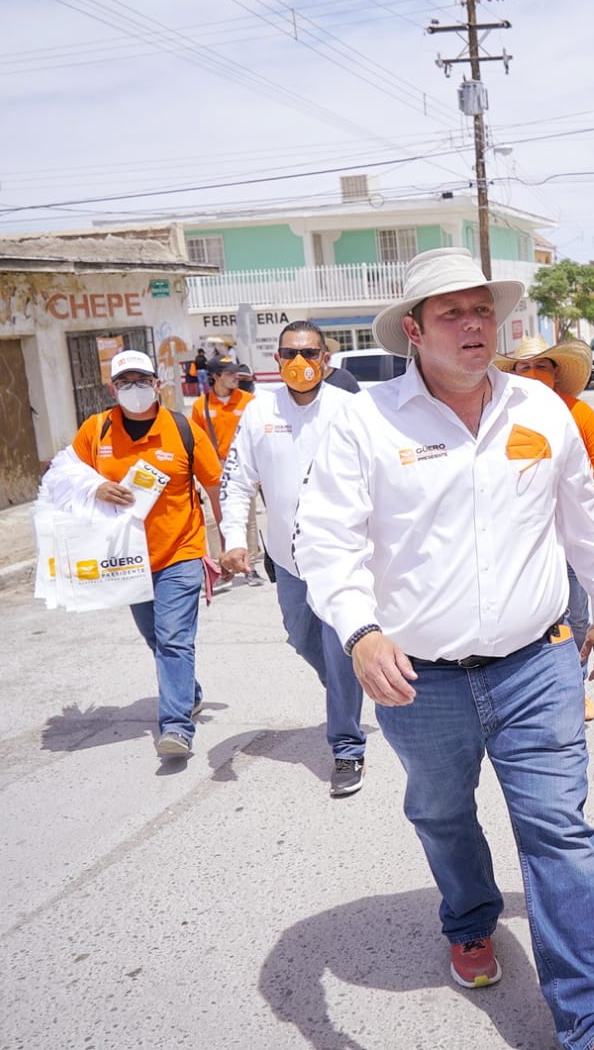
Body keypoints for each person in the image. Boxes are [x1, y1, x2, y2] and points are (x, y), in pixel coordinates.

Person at [293, 248, 594, 1050]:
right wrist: (360, 631)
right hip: (421, 680)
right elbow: (325, 540)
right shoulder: (364, 419)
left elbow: (584, 515)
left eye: (482, 308)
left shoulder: (540, 409)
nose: (474, 323)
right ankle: (471, 918)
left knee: (558, 829)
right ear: (414, 330)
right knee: (442, 812)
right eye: (451, 312)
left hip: (538, 662)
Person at [218, 322, 369, 796]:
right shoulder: (259, 411)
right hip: (288, 559)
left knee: (338, 648)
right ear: (277, 359)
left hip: (342, 557)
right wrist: (234, 539)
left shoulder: (351, 409)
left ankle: (347, 746)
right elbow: (237, 479)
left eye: (309, 353)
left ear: (326, 359)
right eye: (289, 353)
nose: (299, 362)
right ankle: (352, 683)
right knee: (302, 639)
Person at [67, 350, 222, 759]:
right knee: (156, 637)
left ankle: (176, 728)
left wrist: (228, 542)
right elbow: (63, 478)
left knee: (173, 638)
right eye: (124, 382)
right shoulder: (96, 431)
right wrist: (94, 487)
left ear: (157, 384)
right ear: (112, 388)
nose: (133, 388)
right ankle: (188, 692)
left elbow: (215, 485)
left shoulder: (182, 430)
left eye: (141, 380)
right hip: (128, 559)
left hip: (181, 551)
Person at [494, 335, 594, 723]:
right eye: (524, 367)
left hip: (575, 534)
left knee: (578, 617)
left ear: (556, 373)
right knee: (534, 618)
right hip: (527, 539)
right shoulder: (499, 416)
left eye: (542, 366)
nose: (534, 374)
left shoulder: (578, 412)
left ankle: (575, 687)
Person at [192, 354, 262, 585]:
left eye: (236, 372)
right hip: (212, 469)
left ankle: (249, 565)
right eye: (230, 373)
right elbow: (196, 440)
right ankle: (219, 567)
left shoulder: (248, 402)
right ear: (215, 376)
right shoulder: (200, 405)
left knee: (247, 518)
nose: (236, 377)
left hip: (242, 467)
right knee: (213, 520)